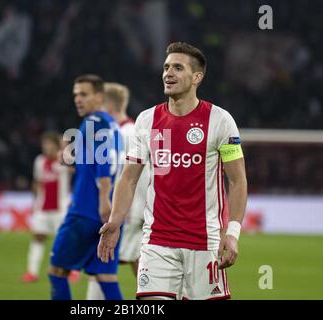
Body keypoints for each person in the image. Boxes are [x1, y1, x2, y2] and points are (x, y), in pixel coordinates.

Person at [98, 42, 248, 300]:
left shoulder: (220, 121)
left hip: (205, 243)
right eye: (166, 67)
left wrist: (232, 234)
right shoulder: (147, 120)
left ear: (197, 77)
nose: (168, 73)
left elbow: (237, 181)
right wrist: (115, 221)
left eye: (178, 68)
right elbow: (129, 178)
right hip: (157, 241)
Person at [48, 74, 124, 300]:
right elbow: (98, 163)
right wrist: (71, 162)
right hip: (108, 215)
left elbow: (103, 164)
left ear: (99, 96)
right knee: (105, 277)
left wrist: (103, 198)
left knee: (57, 272)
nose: (78, 99)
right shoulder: (112, 124)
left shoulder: (92, 122)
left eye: (84, 94)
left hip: (85, 211)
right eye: (75, 95)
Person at [86, 82, 149, 300]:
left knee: (102, 264)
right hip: (133, 211)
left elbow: (125, 176)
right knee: (139, 267)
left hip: (123, 213)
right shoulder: (136, 131)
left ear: (106, 106)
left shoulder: (120, 134)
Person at [20, 132, 70, 283]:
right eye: (44, 145)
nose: (47, 147)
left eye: (50, 144)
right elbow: (37, 182)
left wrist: (64, 146)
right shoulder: (39, 161)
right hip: (42, 209)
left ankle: (70, 270)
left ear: (57, 146)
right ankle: (32, 272)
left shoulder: (64, 161)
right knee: (38, 238)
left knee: (63, 241)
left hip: (61, 209)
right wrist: (35, 203)